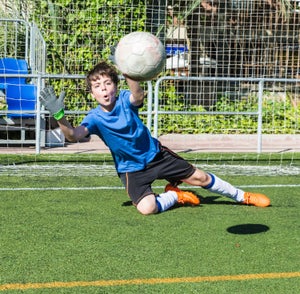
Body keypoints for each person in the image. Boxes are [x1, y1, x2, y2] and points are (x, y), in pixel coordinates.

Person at [40, 61, 270, 215]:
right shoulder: (94, 118)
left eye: (108, 83)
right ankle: (174, 195)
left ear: (115, 86)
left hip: (156, 155)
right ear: (92, 93)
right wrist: (59, 116)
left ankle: (243, 196)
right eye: (98, 86)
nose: (104, 89)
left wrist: (129, 69)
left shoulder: (123, 100)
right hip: (131, 169)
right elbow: (73, 135)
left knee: (199, 178)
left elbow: (138, 95)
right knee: (147, 208)